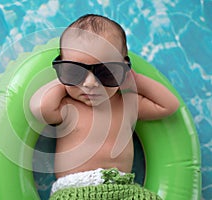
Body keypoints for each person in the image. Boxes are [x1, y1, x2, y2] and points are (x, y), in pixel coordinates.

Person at [30, 14, 179, 199]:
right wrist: (63, 79)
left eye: (107, 72)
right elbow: (39, 109)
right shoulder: (68, 107)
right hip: (75, 193)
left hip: (125, 190)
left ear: (123, 69)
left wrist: (135, 80)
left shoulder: (127, 105)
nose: (90, 83)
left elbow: (169, 105)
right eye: (75, 71)